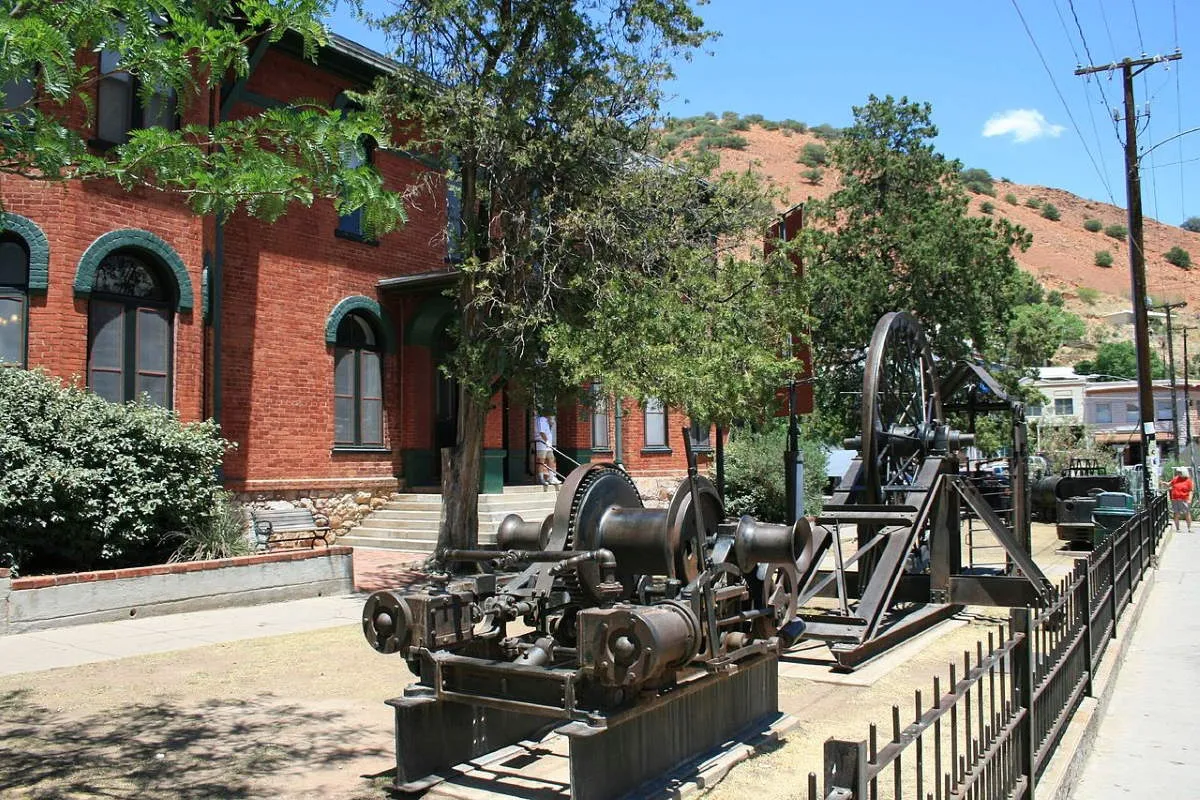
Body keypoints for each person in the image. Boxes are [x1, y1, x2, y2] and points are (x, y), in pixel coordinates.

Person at [534, 412, 561, 486]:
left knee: (551, 459)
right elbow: (541, 432)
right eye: (551, 416)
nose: (552, 418)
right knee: (541, 460)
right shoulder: (541, 420)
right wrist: (546, 441)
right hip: (542, 444)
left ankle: (551, 477)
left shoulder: (546, 422)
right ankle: (541, 478)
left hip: (548, 445)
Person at [1168, 466, 1193, 531]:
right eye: (1178, 472)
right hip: (1175, 499)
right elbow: (1170, 484)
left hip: (1184, 499)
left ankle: (1189, 528)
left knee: (1187, 513)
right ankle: (1178, 528)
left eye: (1180, 472)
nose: (1178, 473)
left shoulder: (1188, 481)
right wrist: (1164, 483)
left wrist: (1190, 499)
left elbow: (1190, 490)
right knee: (1176, 513)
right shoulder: (1175, 479)